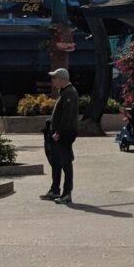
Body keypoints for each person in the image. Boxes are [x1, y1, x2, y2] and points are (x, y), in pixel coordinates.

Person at [42, 68, 79, 206]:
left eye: (54, 78)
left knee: (65, 162)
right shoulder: (64, 92)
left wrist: (59, 132)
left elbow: (67, 116)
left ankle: (67, 193)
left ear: (62, 79)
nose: (52, 80)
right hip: (60, 133)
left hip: (65, 134)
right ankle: (55, 190)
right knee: (56, 162)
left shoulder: (69, 93)